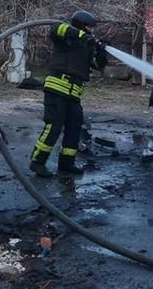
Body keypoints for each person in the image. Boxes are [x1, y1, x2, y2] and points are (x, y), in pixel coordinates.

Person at [29, 10, 108, 178]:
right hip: (57, 89)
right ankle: (37, 162)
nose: (92, 31)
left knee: (74, 128)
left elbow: (98, 64)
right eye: (90, 28)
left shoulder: (86, 46)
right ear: (81, 26)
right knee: (54, 126)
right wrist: (82, 36)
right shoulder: (65, 38)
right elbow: (56, 28)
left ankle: (66, 164)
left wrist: (101, 51)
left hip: (74, 95)